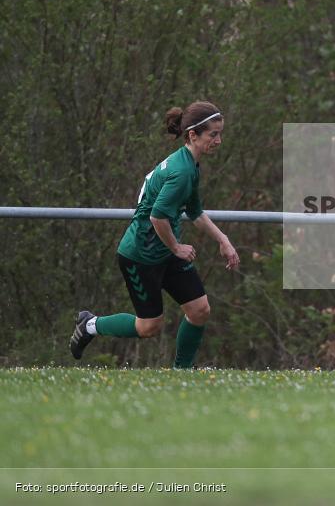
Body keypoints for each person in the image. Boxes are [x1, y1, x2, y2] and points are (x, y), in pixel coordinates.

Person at [69, 101, 240, 368]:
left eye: (220, 134)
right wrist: (177, 248)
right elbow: (157, 216)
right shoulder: (181, 171)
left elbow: (195, 211)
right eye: (213, 134)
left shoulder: (191, 165)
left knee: (199, 310)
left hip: (165, 249)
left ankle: (182, 373)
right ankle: (90, 324)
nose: (219, 140)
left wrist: (223, 241)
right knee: (149, 327)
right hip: (140, 256)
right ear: (193, 135)